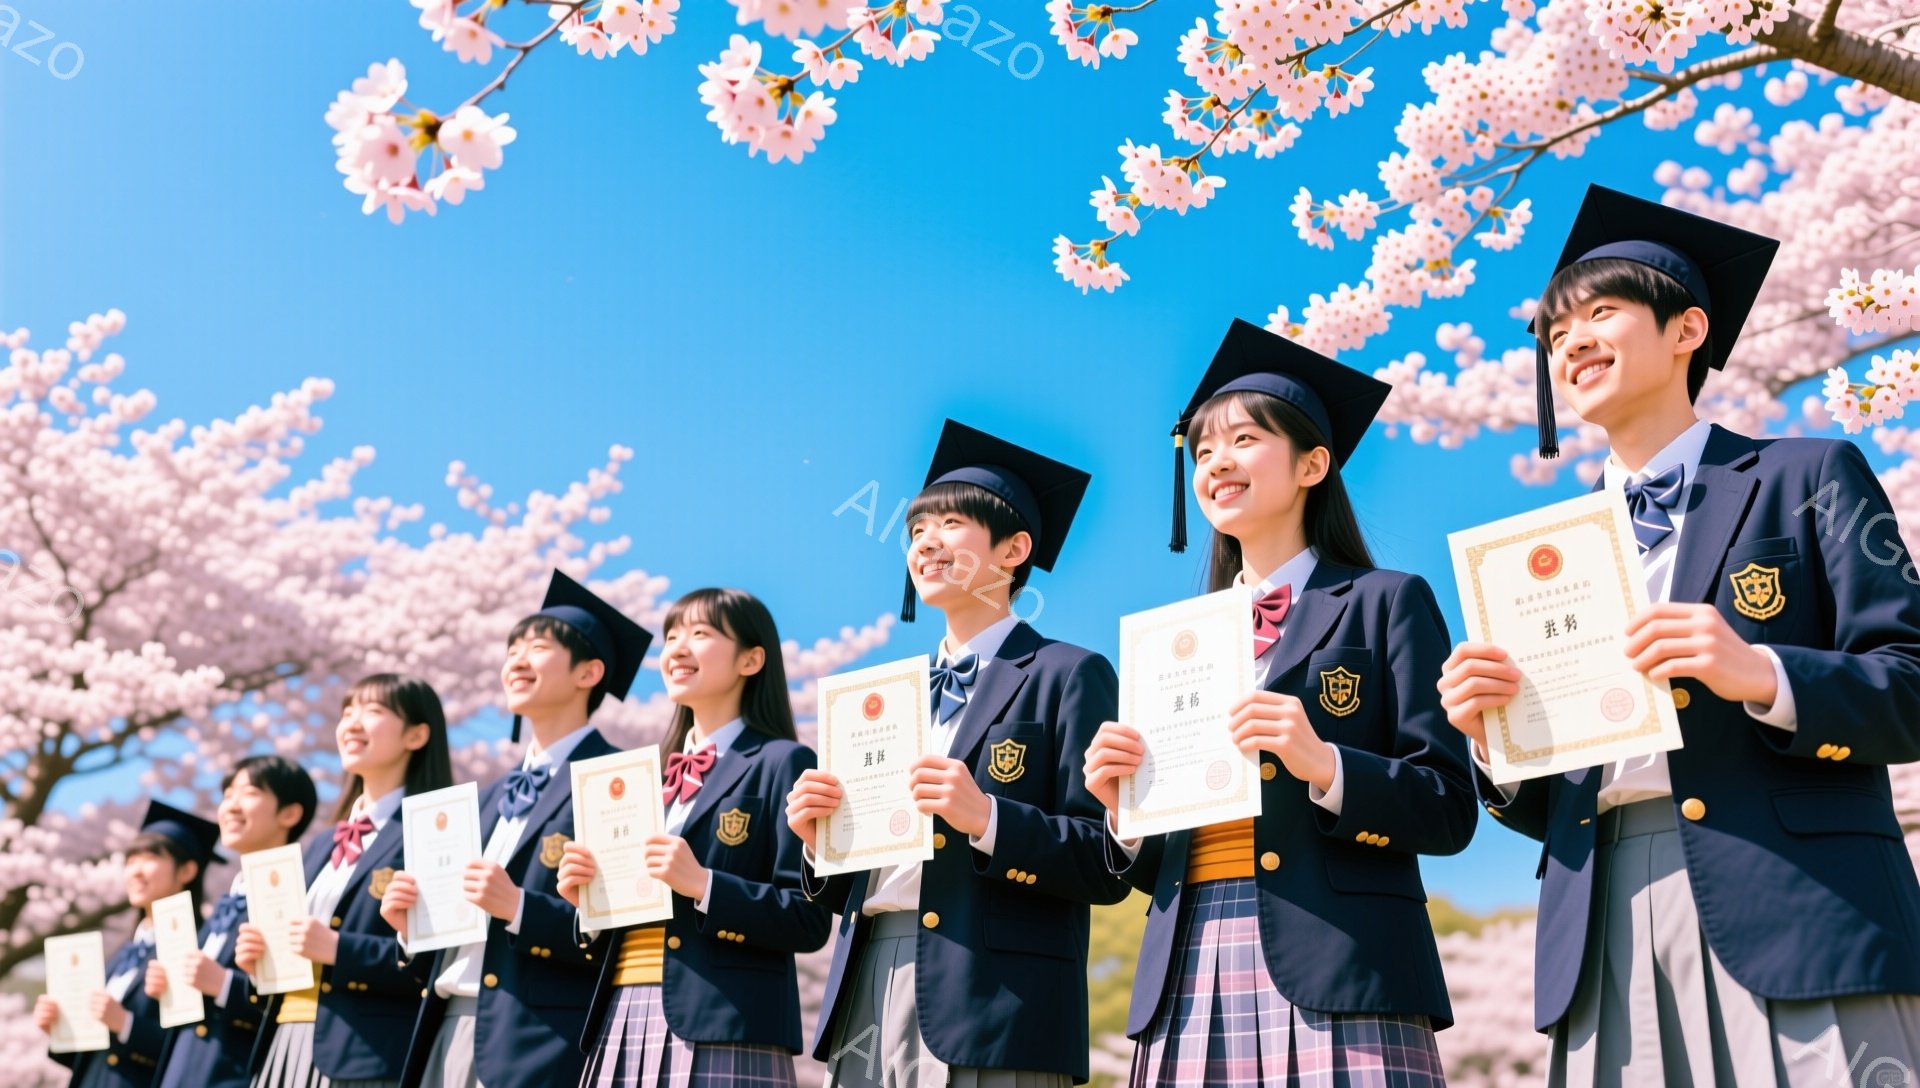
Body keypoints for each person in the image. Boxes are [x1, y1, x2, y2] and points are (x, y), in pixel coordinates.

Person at [1438, 184, 1920, 1085]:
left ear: (1688, 329)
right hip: (1601, 917)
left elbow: (1911, 682)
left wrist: (1764, 673)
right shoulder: (1537, 559)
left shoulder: (1809, 475)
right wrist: (1494, 742)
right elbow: (1548, 803)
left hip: (1798, 895)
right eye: (1555, 331)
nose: (1571, 341)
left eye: (1601, 313)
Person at [1082, 318, 1475, 1086]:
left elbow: (1449, 807)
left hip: (1345, 957)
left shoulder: (1386, 602)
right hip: (1188, 957)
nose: (1217, 463)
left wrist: (1325, 764)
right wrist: (1125, 814)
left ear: (1313, 463)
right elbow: (1151, 864)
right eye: (1202, 451)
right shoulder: (1174, 643)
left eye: (1244, 440)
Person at [786, 419, 1131, 1088]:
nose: (926, 542)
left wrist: (987, 819)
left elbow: (1105, 861)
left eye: (950, 524)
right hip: (867, 979)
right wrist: (818, 842)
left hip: (996, 991)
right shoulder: (882, 699)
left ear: (1014, 549)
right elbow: (844, 884)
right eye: (916, 529)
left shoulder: (1068, 673)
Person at [387, 570, 652, 1088]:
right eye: (511, 650)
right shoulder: (484, 798)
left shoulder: (618, 781)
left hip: (538, 1039)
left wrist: (518, 908)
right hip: (444, 1029)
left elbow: (622, 933)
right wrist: (412, 927)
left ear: (589, 672)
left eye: (538, 647)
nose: (516, 660)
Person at [558, 587, 830, 1087]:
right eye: (670, 637)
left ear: (751, 660)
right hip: (620, 1013)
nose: (677, 649)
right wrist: (591, 905)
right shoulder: (641, 777)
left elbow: (808, 920)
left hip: (723, 1020)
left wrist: (703, 885)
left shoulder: (783, 762)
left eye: (700, 633)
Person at [241, 675, 453, 1088]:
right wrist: (261, 965)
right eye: (347, 712)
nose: (351, 724)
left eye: (373, 711)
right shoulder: (320, 845)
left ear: (416, 735)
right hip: (283, 1044)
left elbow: (435, 958)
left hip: (363, 1052)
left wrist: (340, 949)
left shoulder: (430, 831)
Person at [149, 756, 318, 1088]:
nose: (231, 806)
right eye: (227, 795)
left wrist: (223, 985)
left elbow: (296, 1002)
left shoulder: (297, 896)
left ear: (289, 813)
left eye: (250, 793)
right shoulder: (226, 904)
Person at [38, 801, 222, 1088]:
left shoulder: (197, 950)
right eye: (131, 860)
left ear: (187, 871)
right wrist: (63, 1028)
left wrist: (125, 1024)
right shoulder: (122, 954)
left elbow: (193, 1048)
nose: (135, 871)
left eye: (150, 858)